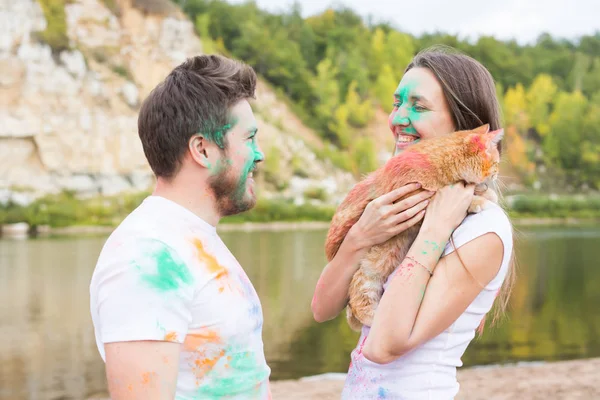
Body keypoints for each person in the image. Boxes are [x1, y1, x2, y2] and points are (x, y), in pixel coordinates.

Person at [311, 47, 515, 399]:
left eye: (418, 106)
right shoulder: (400, 202)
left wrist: (435, 230)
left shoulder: (483, 229)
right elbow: (322, 308)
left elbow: (385, 345)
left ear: (465, 129)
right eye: (396, 104)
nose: (397, 118)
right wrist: (360, 237)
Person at [89, 55, 271, 399]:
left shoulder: (190, 237)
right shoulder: (146, 255)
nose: (259, 154)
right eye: (248, 139)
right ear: (202, 149)